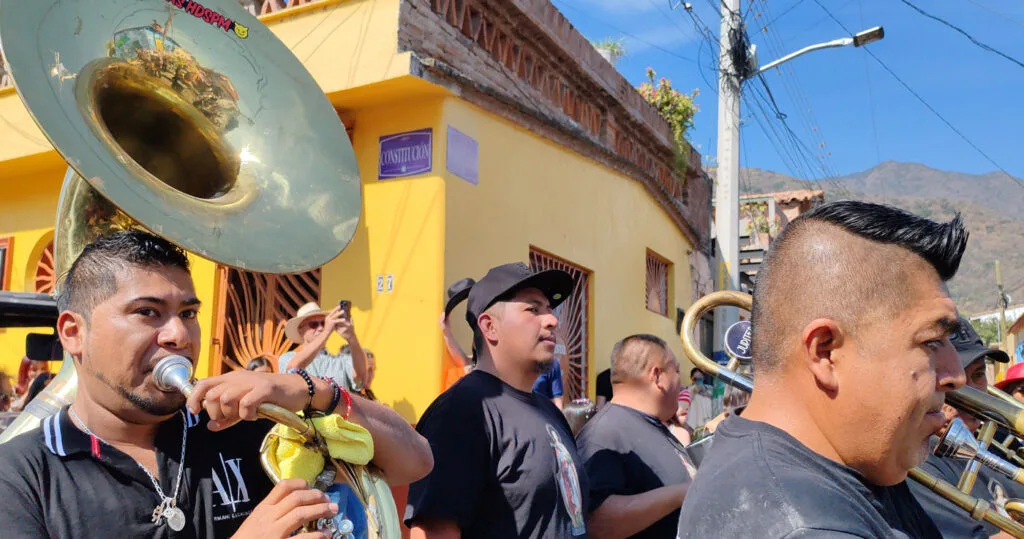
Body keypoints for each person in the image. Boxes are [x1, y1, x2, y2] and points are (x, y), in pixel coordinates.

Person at [0, 230, 433, 538]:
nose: (179, 336)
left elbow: (414, 461)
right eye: (148, 312)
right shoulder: (19, 476)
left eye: (188, 313)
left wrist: (307, 389)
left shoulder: (240, 426)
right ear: (74, 333)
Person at [677, 201, 968, 538]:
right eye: (932, 342)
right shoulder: (807, 527)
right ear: (825, 352)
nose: (956, 376)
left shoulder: (849, 462)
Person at [406, 262, 590, 538]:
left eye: (550, 310)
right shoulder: (463, 412)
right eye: (533, 309)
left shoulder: (549, 413)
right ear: (490, 327)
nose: (552, 320)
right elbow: (434, 530)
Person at [908, 316, 1017, 538]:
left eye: (978, 375)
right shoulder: (917, 464)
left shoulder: (1000, 441)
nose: (972, 394)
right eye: (952, 378)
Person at [577, 334, 694, 539]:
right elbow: (597, 523)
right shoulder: (605, 433)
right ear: (657, 376)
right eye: (676, 371)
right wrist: (683, 493)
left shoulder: (653, 423)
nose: (682, 384)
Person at [278, 301, 368, 392]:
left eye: (324, 323)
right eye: (314, 324)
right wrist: (326, 331)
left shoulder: (340, 361)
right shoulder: (287, 358)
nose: (321, 328)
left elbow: (361, 378)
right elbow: (293, 368)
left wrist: (351, 337)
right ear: (300, 330)